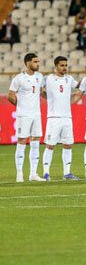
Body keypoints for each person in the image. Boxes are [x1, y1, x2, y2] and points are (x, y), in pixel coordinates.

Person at [8, 53, 46, 182]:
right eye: (35, 62)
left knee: (36, 141)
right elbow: (10, 95)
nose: (38, 64)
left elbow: (42, 92)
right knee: (22, 141)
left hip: (36, 114)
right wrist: (21, 107)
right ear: (28, 63)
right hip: (23, 115)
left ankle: (33, 173)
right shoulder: (19, 78)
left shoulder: (40, 77)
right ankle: (20, 174)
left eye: (38, 61)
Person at [42, 56, 80, 181]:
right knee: (50, 145)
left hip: (67, 117)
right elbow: (39, 88)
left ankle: (67, 173)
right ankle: (46, 173)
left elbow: (80, 87)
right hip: (53, 117)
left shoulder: (69, 79)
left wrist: (79, 95)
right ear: (56, 66)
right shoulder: (48, 79)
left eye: (65, 65)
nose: (64, 68)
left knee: (68, 145)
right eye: (62, 65)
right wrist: (47, 97)